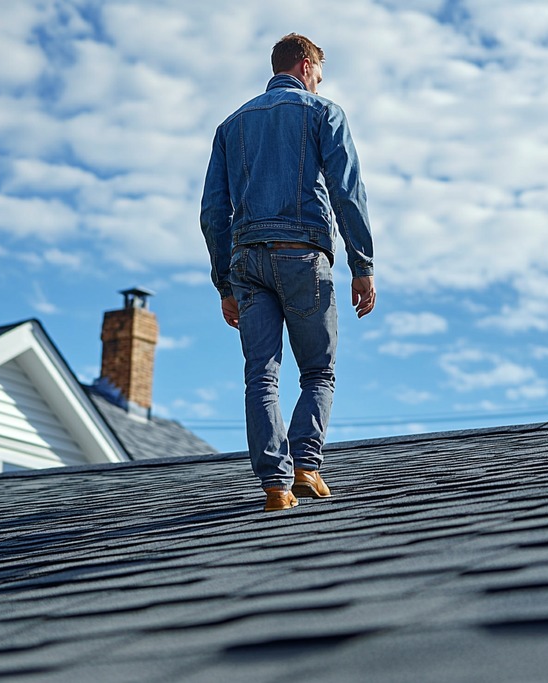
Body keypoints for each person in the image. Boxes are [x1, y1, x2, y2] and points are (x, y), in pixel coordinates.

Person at [200, 33, 376, 512]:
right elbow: (347, 191)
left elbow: (214, 212)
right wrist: (362, 265)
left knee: (261, 374)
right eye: (319, 72)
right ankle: (306, 466)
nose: (320, 82)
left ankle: (275, 488)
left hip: (247, 263)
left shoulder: (230, 126)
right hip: (302, 255)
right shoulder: (323, 113)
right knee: (318, 370)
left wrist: (224, 283)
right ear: (304, 65)